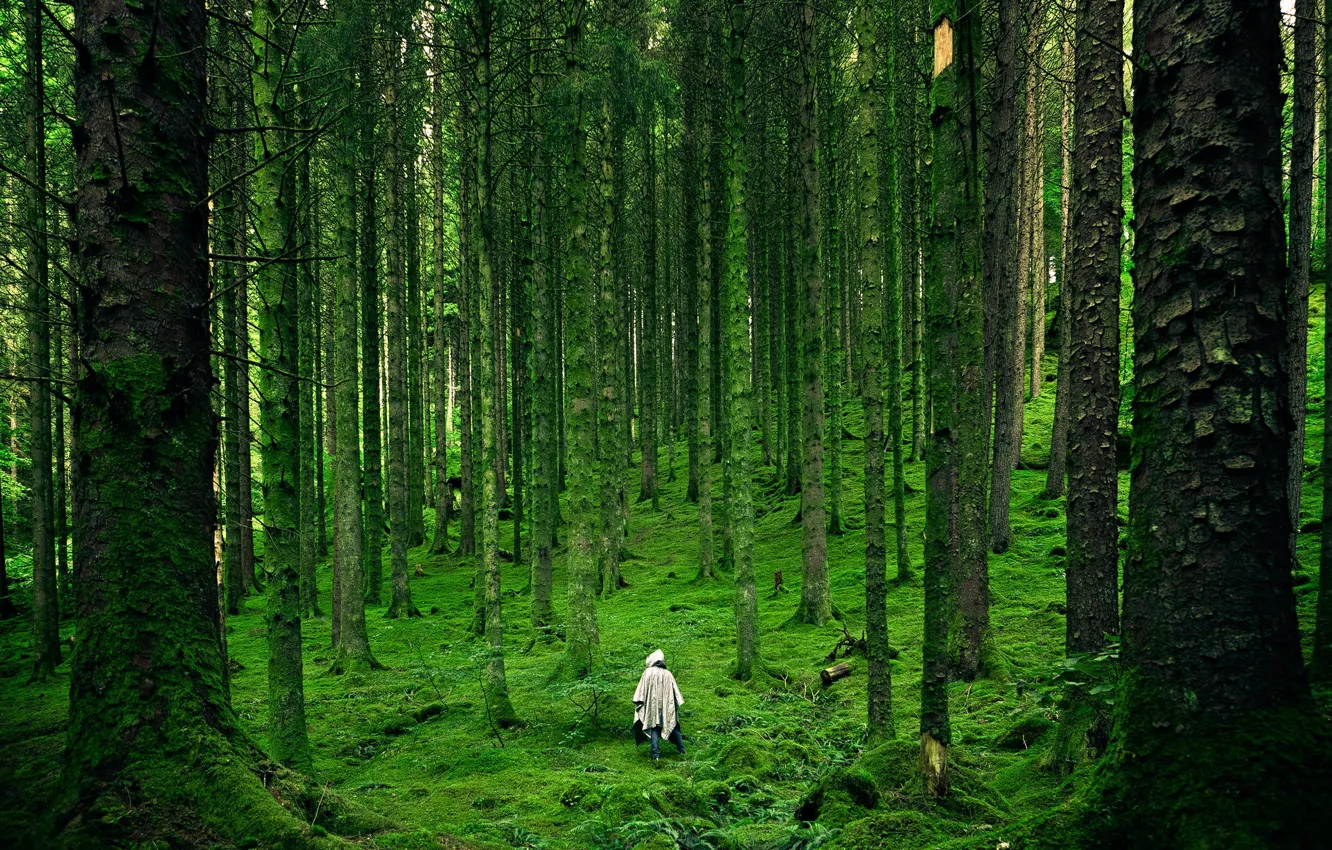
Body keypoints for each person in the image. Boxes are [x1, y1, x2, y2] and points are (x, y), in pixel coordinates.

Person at [632, 649, 685, 762]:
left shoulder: (647, 672)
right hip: (667, 705)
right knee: (673, 725)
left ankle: (656, 756)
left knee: (654, 727)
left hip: (652, 706)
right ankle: (682, 751)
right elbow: (675, 693)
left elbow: (641, 692)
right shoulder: (668, 674)